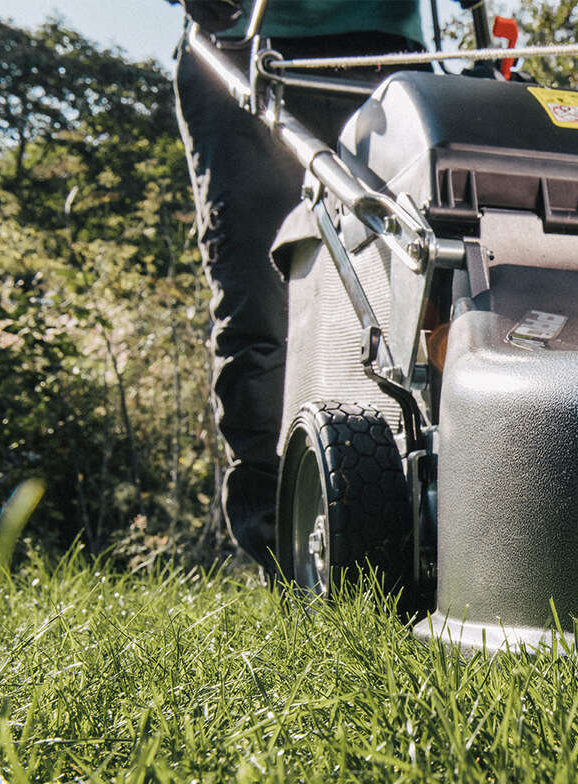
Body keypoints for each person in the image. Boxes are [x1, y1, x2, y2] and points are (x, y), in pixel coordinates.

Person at [173, 0, 426, 574]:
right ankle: (286, 559)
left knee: (414, 283)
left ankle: (419, 536)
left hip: (384, 49)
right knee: (259, 307)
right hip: (245, 39)